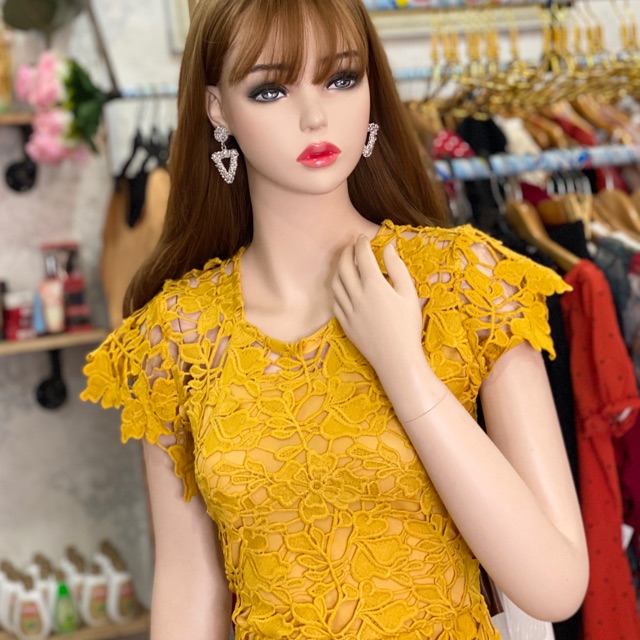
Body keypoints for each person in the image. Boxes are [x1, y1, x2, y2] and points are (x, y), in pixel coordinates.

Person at [82, 0, 589, 638]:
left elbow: (555, 584)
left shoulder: (465, 283)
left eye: (341, 78)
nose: (315, 115)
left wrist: (405, 371)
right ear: (218, 109)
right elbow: (189, 587)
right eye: (270, 90)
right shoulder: (176, 338)